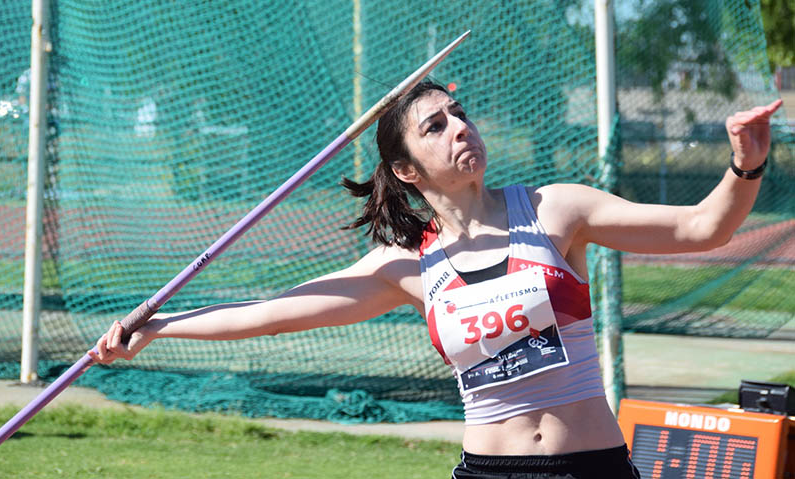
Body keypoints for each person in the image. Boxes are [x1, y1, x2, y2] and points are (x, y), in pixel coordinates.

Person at [89, 80, 781, 478]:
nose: (460, 128)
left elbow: (703, 228)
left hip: (592, 468)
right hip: (491, 473)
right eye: (436, 125)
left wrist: (744, 163)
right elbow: (273, 312)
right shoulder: (407, 267)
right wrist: (157, 328)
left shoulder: (555, 210)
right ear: (406, 170)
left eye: (460, 114)